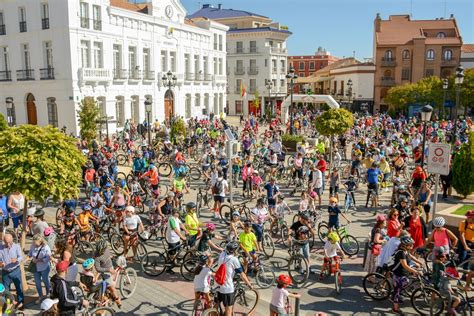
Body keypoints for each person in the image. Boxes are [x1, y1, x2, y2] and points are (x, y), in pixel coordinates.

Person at [216, 242, 253, 316]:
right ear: (235, 250)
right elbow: (242, 274)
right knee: (228, 309)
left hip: (217, 284)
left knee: (216, 305)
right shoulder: (234, 259)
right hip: (227, 288)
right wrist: (249, 284)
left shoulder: (222, 254)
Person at [391, 236, 421, 314]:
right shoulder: (401, 253)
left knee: (406, 282)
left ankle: (397, 292)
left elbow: (411, 257)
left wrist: (419, 262)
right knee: (397, 291)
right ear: (404, 245)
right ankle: (395, 309)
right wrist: (415, 271)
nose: (412, 246)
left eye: (412, 245)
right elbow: (405, 265)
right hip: (398, 274)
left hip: (403, 273)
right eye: (410, 245)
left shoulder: (405, 251)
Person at [432, 249, 461, 316]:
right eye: (444, 256)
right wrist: (453, 278)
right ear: (441, 258)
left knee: (436, 290)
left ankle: (434, 302)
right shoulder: (441, 266)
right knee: (458, 299)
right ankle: (450, 309)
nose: (445, 258)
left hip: (436, 283)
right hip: (442, 287)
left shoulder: (435, 263)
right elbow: (444, 277)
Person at [94, 240, 121, 306]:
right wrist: (108, 269)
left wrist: (110, 257)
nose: (100, 253)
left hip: (110, 267)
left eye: (102, 251)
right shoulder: (97, 257)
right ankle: (118, 300)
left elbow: (108, 255)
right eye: (99, 251)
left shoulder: (107, 249)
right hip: (104, 271)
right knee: (112, 287)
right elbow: (98, 269)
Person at [0, 233, 23, 310]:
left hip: (15, 270)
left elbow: (21, 257)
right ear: (3, 241)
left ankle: (21, 303)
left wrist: (16, 260)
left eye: (10, 242)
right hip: (5, 272)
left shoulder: (17, 246)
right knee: (6, 291)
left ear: (12, 240)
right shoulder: (1, 247)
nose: (8, 244)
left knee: (19, 288)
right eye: (6, 242)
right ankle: (8, 306)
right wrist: (0, 263)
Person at [27, 234, 52, 304]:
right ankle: (40, 296)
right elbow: (30, 254)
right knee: (37, 283)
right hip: (35, 268)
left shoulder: (46, 247)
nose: (34, 243)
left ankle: (48, 295)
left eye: (35, 242)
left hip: (44, 268)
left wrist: (38, 260)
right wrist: (25, 260)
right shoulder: (33, 246)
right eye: (33, 242)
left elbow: (48, 258)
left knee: (46, 282)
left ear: (40, 241)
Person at [166, 209, 189, 273]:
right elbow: (175, 229)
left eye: (178, 213)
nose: (178, 215)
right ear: (174, 213)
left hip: (177, 238)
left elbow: (181, 224)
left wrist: (186, 230)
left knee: (175, 252)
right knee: (172, 254)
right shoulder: (171, 219)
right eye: (177, 213)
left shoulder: (176, 218)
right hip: (172, 239)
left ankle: (173, 262)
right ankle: (168, 268)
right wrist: (182, 237)